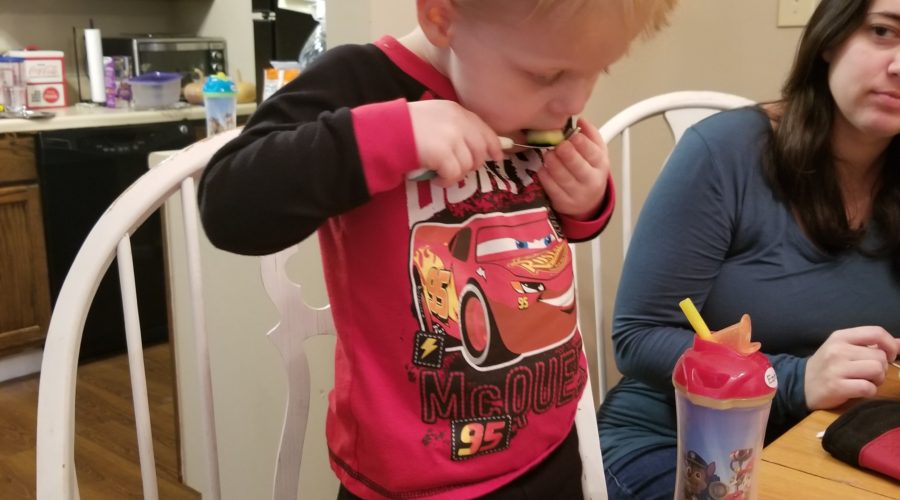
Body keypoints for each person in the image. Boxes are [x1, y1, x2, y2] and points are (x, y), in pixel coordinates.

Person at [199, 0, 677, 498]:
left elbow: (542, 231)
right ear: (442, 18)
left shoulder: (528, 95)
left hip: (551, 451)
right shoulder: (359, 83)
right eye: (549, 73)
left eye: (596, 70)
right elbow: (228, 204)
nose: (573, 103)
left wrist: (587, 199)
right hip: (413, 478)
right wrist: (393, 136)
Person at [597, 0, 900, 498]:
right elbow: (637, 336)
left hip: (828, 439)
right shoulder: (725, 153)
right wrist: (796, 379)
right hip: (677, 444)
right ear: (830, 37)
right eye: (883, 31)